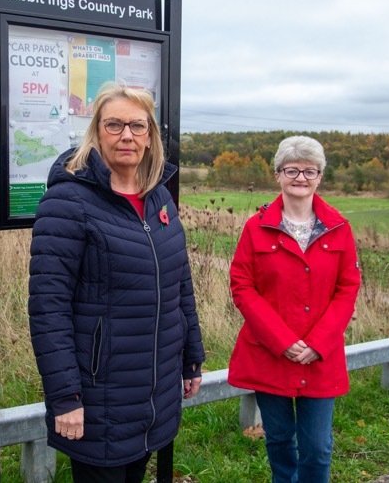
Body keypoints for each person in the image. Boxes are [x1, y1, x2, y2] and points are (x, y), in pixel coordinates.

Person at [27, 82, 206, 482]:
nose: (127, 135)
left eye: (137, 126)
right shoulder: (69, 201)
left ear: (149, 136)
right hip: (97, 394)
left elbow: (180, 284)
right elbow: (47, 308)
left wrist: (191, 357)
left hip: (152, 392)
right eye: (114, 125)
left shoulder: (159, 197)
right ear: (96, 131)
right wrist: (65, 397)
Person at [228, 135, 361, 483]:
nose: (300, 178)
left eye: (309, 170)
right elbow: (243, 287)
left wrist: (318, 342)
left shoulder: (340, 228)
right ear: (278, 175)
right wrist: (281, 340)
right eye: (292, 170)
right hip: (269, 355)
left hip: (321, 357)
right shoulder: (256, 229)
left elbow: (348, 288)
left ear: (320, 176)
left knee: (318, 448)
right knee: (280, 441)